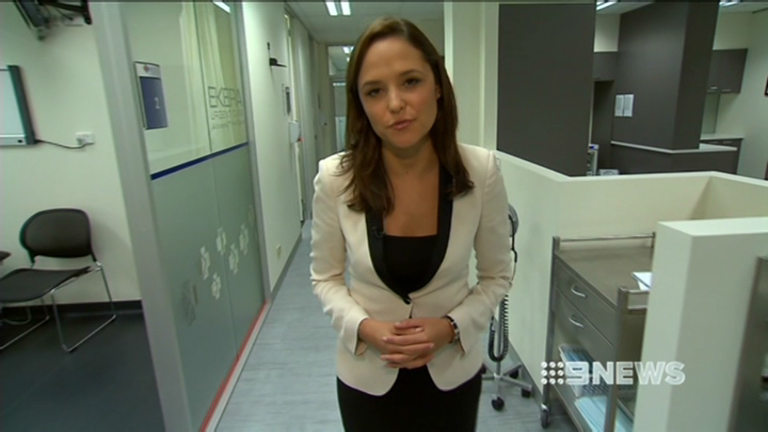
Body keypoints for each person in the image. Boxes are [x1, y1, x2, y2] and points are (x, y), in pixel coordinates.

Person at [310, 16, 512, 432]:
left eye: (410, 82)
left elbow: (497, 276)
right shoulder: (335, 178)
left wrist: (451, 328)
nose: (395, 103)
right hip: (367, 379)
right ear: (361, 105)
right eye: (375, 91)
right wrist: (365, 328)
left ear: (437, 85)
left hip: (451, 377)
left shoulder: (481, 171)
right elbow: (325, 277)